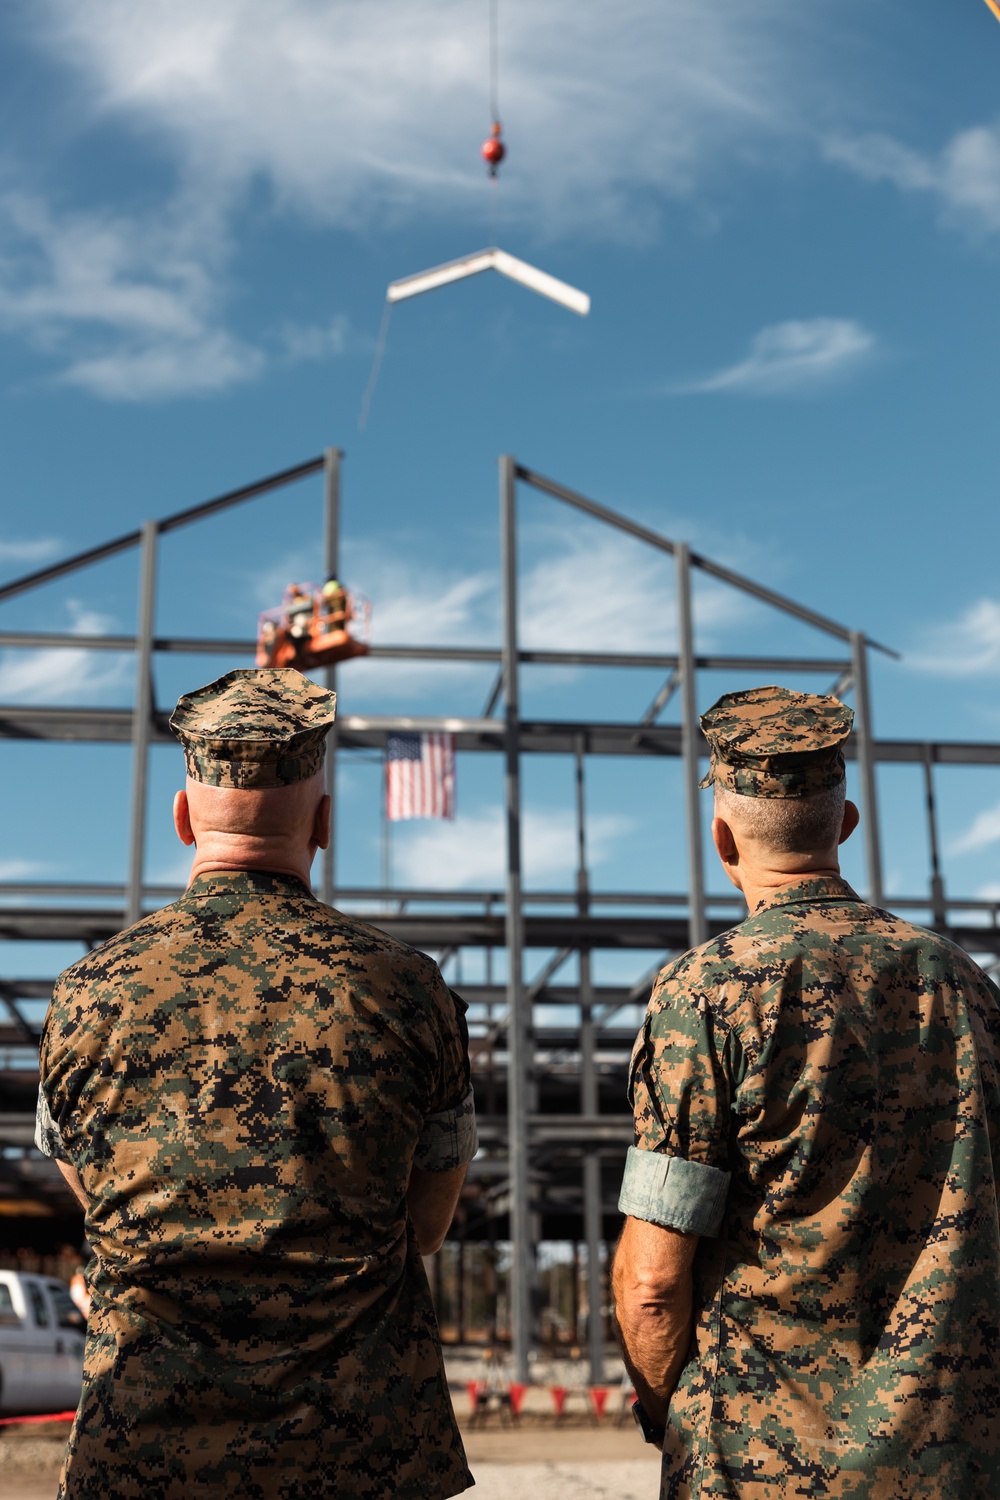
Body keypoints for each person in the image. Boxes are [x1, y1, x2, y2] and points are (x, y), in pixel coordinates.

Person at [35, 667, 476, 1500]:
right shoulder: (408, 988)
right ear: (324, 824)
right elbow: (424, 1223)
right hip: (359, 1457)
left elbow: (95, 1189)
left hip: (141, 1452)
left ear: (181, 819)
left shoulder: (86, 992)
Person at [613, 685, 1000, 1498]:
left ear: (721, 836)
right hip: (953, 1459)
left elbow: (652, 1283)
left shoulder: (705, 993)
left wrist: (668, 1412)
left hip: (757, 1466)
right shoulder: (967, 987)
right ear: (846, 823)